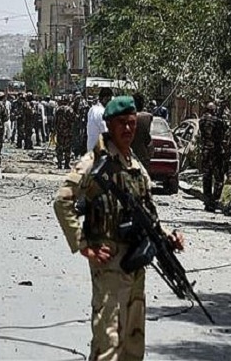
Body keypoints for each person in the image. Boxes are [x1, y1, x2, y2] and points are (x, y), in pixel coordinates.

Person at [54, 96, 184, 361]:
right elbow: (62, 200)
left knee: (133, 345)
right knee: (108, 343)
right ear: (110, 125)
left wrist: (167, 238)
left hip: (136, 263)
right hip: (109, 262)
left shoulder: (136, 166)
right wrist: (83, 244)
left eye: (132, 124)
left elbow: (149, 213)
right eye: (122, 123)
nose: (128, 129)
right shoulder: (93, 163)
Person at [198, 102, 229, 212]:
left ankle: (208, 201)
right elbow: (223, 130)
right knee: (219, 178)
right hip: (216, 151)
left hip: (206, 151)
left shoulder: (201, 120)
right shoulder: (218, 121)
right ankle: (214, 200)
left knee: (207, 177)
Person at [131, 93, 154, 171]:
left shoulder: (126, 117)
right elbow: (147, 138)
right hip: (142, 156)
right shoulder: (147, 117)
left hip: (129, 156)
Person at [54, 97, 76, 169]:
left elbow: (55, 121)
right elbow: (74, 120)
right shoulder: (70, 110)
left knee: (59, 147)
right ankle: (66, 164)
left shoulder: (58, 109)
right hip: (68, 132)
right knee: (68, 148)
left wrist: (55, 129)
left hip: (60, 132)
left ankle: (59, 164)